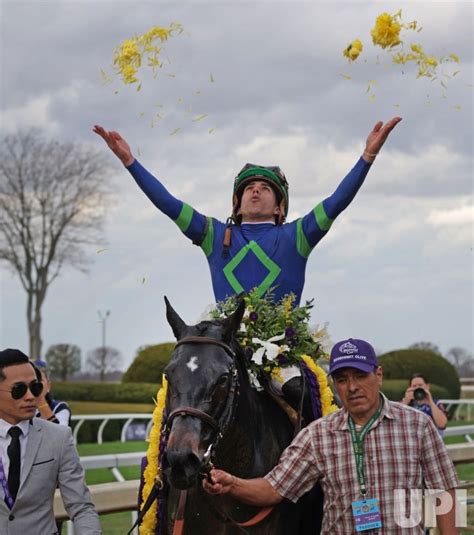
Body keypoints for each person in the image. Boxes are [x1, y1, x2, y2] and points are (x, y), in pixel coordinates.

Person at [93, 117, 401, 306]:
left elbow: (337, 201)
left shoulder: (297, 236)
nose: (255, 191)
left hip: (284, 349)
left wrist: (367, 157)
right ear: (236, 205)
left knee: (305, 396)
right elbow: (169, 204)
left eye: (265, 189)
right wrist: (130, 162)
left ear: (280, 207)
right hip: (224, 351)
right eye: (248, 188)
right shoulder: (214, 235)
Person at [202, 338, 459, 534]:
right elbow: (273, 489)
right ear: (335, 384)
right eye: (343, 379)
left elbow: (445, 491)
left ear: (378, 375)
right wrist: (232, 484)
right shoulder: (317, 435)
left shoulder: (418, 425)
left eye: (361, 375)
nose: (353, 386)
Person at [0, 349, 101, 535]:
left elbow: (81, 507)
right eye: (19, 390)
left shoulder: (59, 437)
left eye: (35, 388)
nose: (31, 396)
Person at [33, 360, 72, 426]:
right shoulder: (19, 407)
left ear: (48, 385)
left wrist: (39, 399)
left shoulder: (59, 408)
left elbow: (60, 434)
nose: (36, 384)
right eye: (33, 381)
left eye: (40, 380)